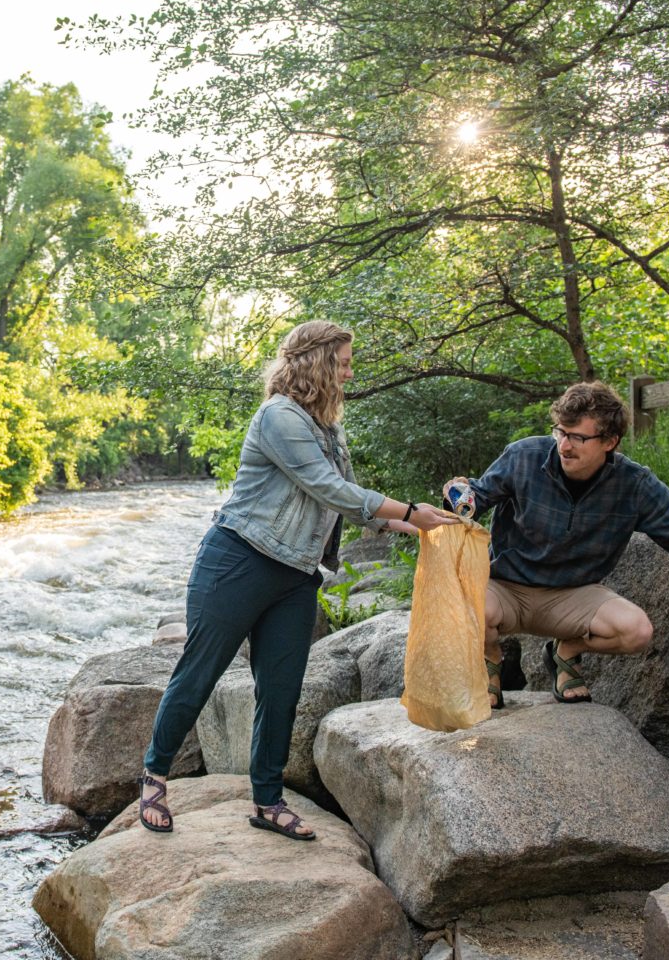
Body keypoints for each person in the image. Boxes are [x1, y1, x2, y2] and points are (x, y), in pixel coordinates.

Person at [138, 321, 455, 840]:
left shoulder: (329, 425)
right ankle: (154, 775)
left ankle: (267, 800)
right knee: (199, 674)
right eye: (345, 361)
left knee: (281, 692)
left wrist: (413, 525)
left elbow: (347, 494)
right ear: (318, 362)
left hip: (296, 575)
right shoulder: (278, 417)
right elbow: (326, 486)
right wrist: (414, 510)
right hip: (237, 563)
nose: (351, 371)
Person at [443, 381, 669, 708]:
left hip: (572, 596)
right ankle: (490, 662)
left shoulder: (634, 485)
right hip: (505, 589)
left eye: (578, 438)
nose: (564, 446)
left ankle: (567, 651)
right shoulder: (523, 456)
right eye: (561, 433)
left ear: (609, 441)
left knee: (636, 632)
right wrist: (459, 496)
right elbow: (475, 498)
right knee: (465, 603)